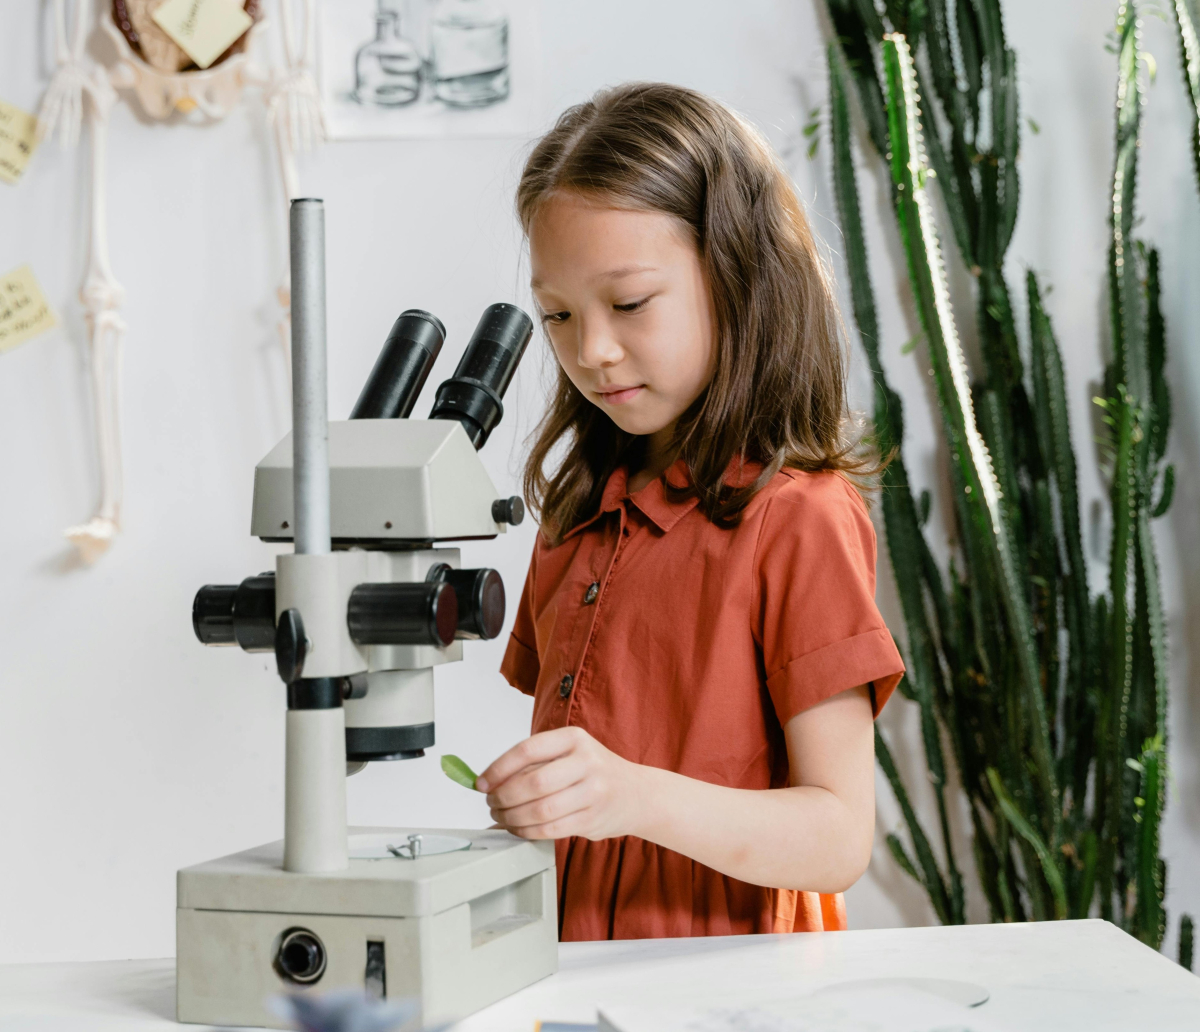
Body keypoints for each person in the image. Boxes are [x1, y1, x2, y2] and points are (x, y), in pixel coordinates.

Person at [475, 82, 906, 941]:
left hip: (732, 986)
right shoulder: (577, 517)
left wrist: (630, 796)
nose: (591, 350)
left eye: (630, 304)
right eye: (558, 314)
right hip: (576, 969)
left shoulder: (800, 519)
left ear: (739, 275)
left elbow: (837, 836)